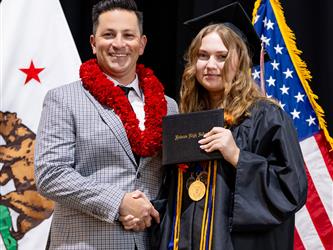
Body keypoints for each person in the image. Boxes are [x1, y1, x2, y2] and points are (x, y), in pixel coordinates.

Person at [155, 2, 308, 250]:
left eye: (222, 56)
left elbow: (292, 189)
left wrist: (237, 156)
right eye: (202, 56)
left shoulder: (266, 116)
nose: (210, 65)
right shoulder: (187, 120)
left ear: (241, 61)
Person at [34, 0, 178, 249]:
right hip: (84, 243)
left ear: (141, 44)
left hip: (148, 242)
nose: (119, 44)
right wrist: (119, 202)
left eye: (128, 35)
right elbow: (50, 174)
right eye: (109, 35)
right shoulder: (63, 99)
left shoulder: (168, 106)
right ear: (93, 43)